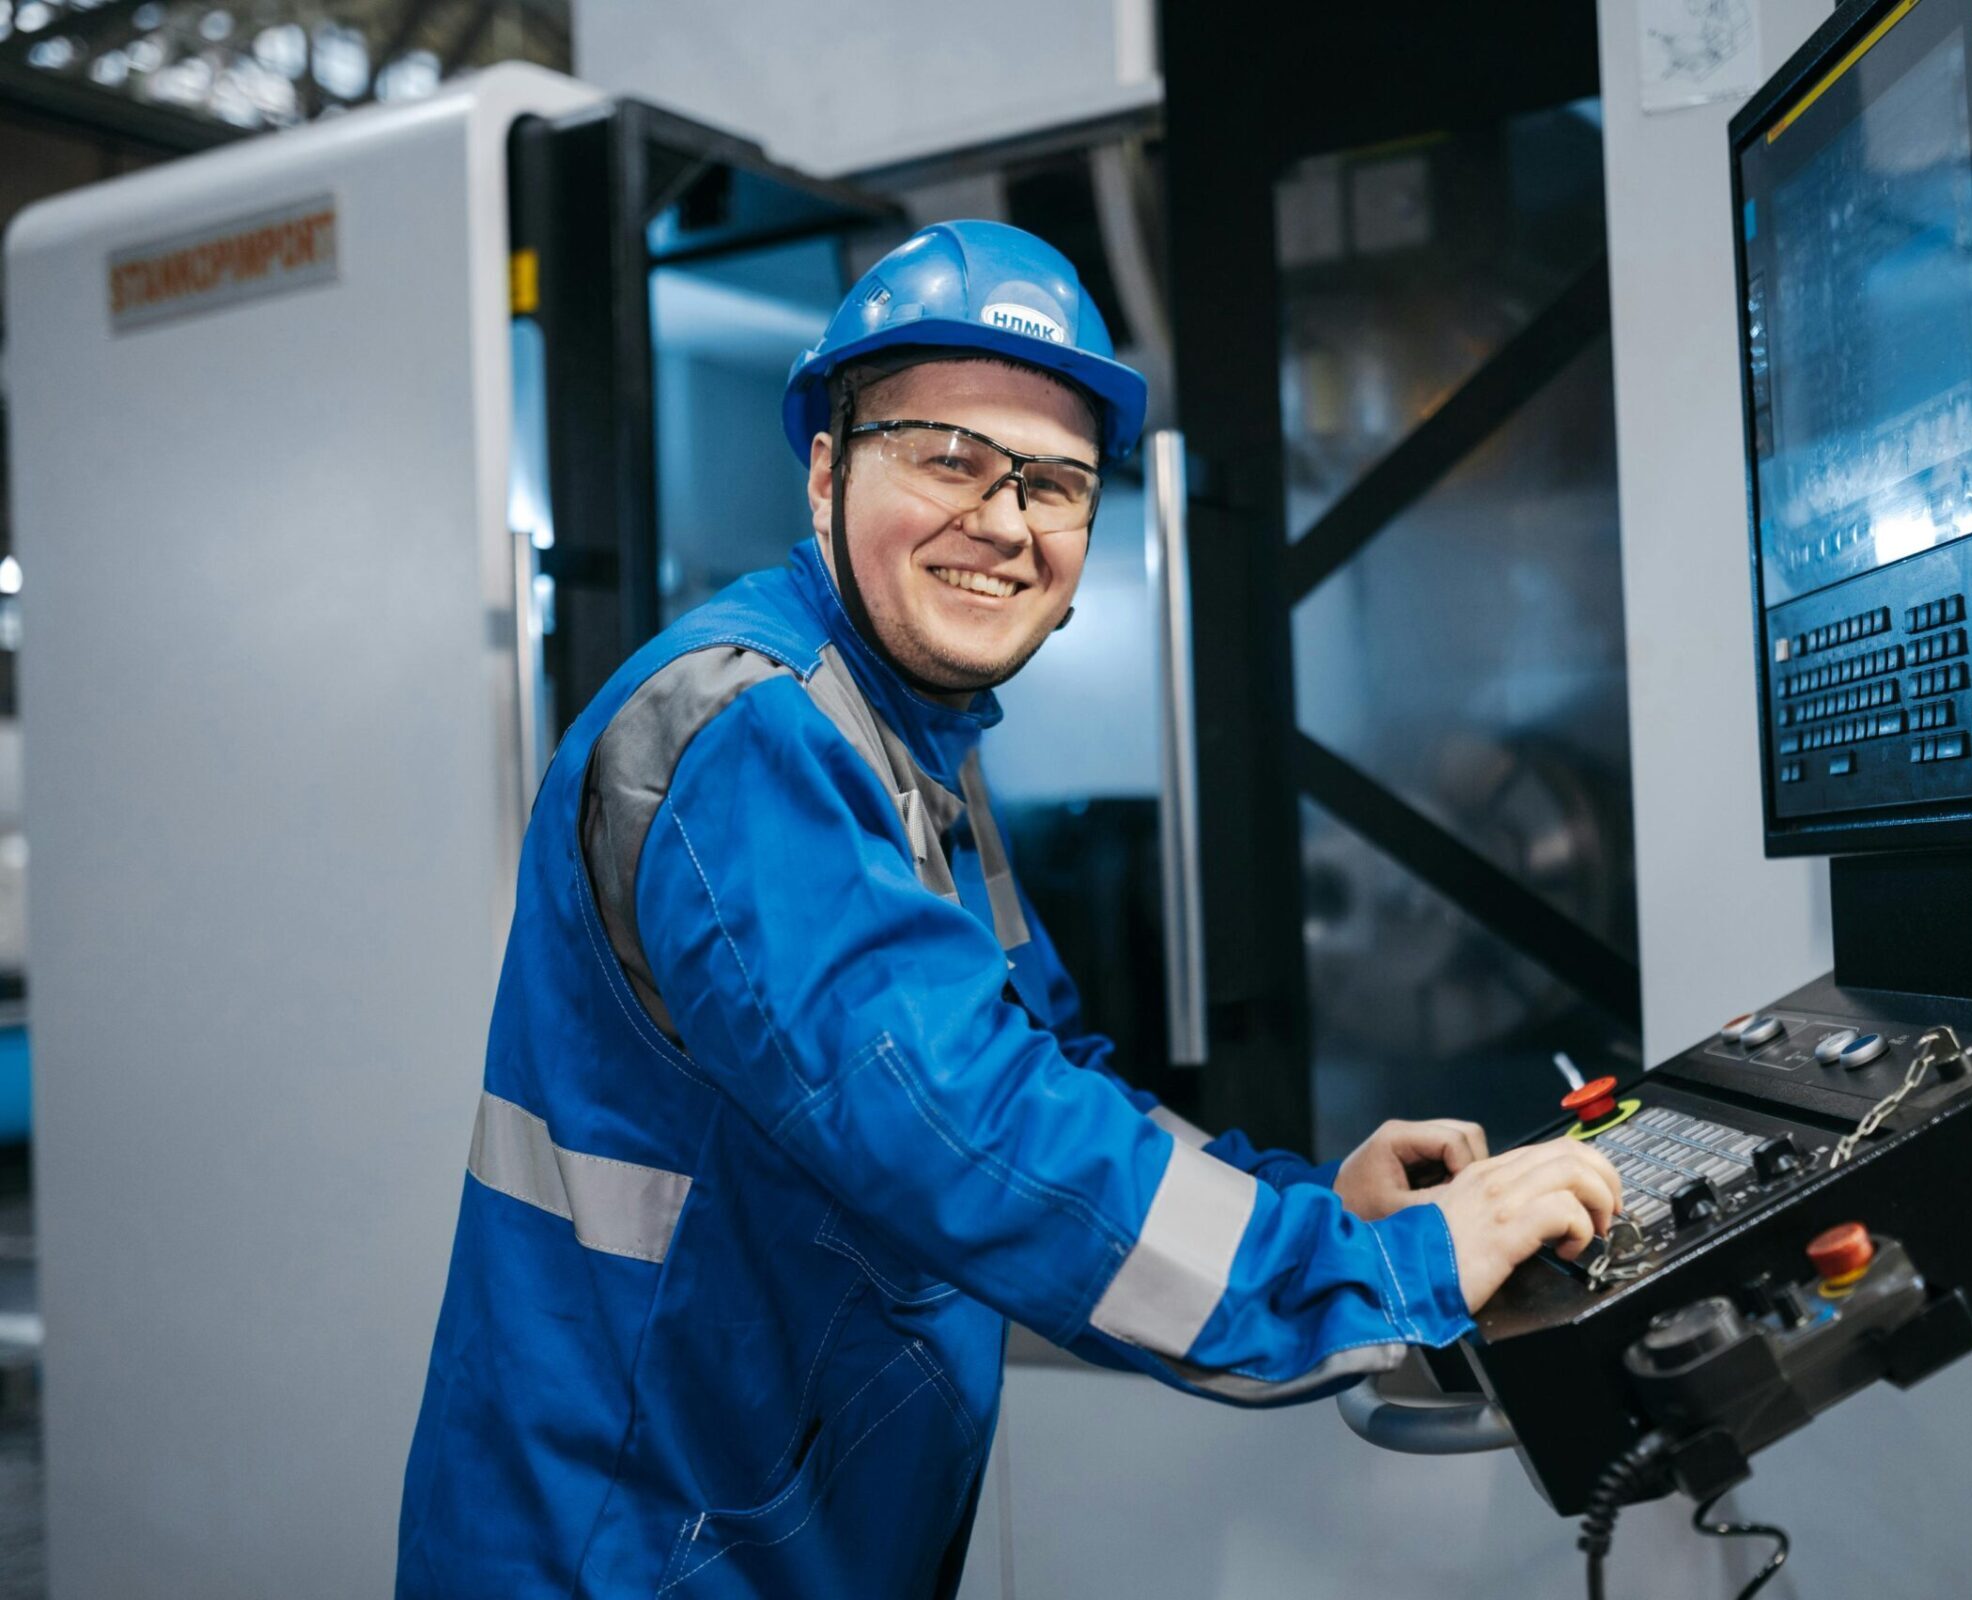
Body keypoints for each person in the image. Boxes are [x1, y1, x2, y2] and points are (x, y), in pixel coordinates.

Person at [395, 220, 1622, 1598]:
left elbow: (1039, 1074)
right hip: (628, 1553)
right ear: (823, 472)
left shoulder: (907, 743)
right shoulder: (754, 739)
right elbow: (966, 1139)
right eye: (946, 457)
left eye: (1054, 481)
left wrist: (1305, 1202)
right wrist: (1375, 1269)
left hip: (768, 1529)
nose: (1002, 521)